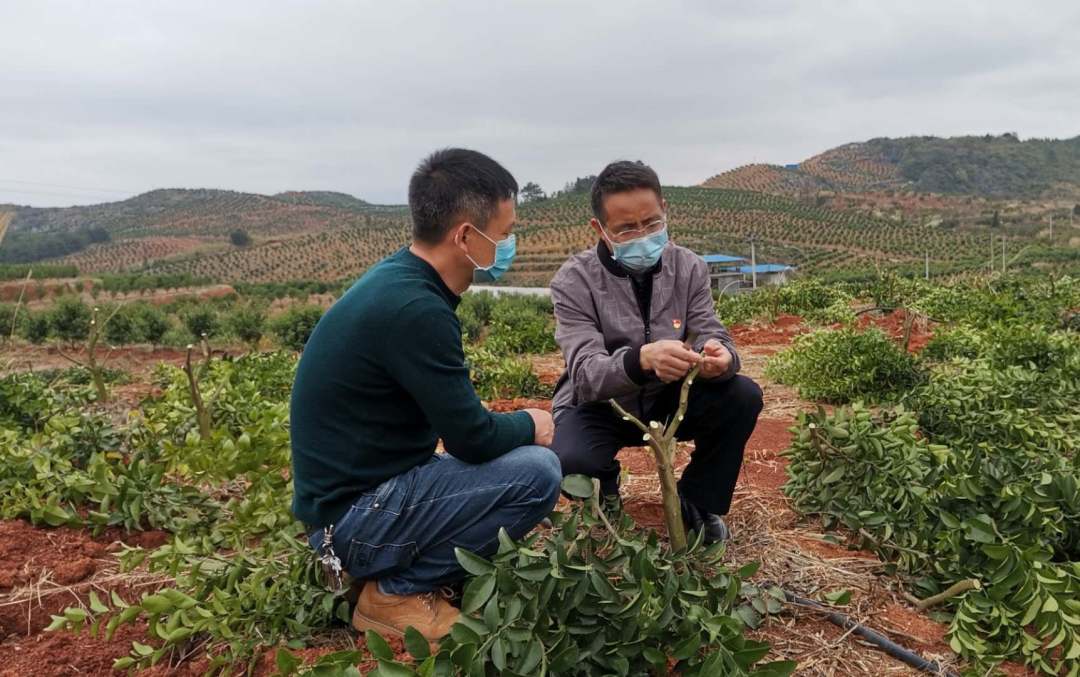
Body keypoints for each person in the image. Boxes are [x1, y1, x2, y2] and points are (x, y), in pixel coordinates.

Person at [290, 148, 561, 642]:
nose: (508, 246)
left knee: (507, 464)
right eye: (503, 234)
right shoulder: (417, 309)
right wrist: (531, 422)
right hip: (352, 523)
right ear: (465, 236)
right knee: (536, 473)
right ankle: (395, 593)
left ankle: (390, 572)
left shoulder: (401, 281)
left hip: (347, 507)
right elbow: (472, 440)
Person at [549, 160, 763, 543]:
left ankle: (698, 500)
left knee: (742, 396)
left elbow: (710, 331)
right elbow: (585, 374)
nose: (642, 236)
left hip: (669, 398)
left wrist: (721, 357)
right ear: (599, 229)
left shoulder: (689, 268)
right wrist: (641, 360)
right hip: (602, 405)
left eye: (651, 223)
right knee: (572, 460)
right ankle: (605, 497)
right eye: (626, 229)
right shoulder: (574, 281)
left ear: (665, 209)